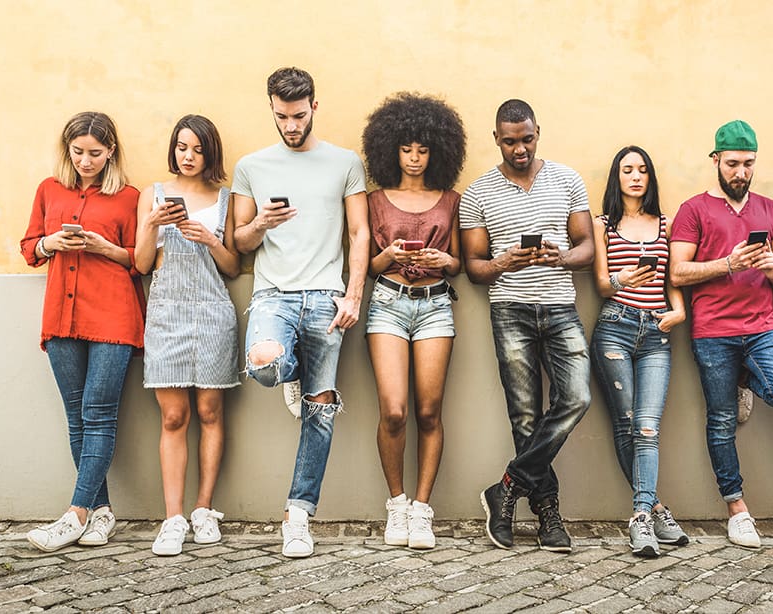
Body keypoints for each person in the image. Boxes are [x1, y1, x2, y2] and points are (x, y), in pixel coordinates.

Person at [232, 67, 369, 558]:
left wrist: (353, 295)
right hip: (274, 297)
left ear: (314, 106)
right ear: (270, 109)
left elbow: (360, 233)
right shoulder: (251, 165)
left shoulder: (345, 162)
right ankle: (289, 366)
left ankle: (298, 515)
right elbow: (237, 241)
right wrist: (260, 224)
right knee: (266, 366)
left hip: (328, 297)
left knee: (321, 410)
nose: (290, 125)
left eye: (298, 115)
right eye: (281, 116)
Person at [462, 99, 595, 553]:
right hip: (511, 309)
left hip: (559, 307)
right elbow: (474, 268)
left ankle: (507, 486)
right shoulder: (478, 192)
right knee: (525, 416)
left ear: (538, 131)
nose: (520, 149)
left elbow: (587, 249)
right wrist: (503, 261)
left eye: (527, 139)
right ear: (496, 138)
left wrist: (560, 256)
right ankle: (549, 516)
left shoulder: (567, 179)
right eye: (510, 141)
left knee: (576, 397)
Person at [669, 120, 773, 548]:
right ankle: (737, 509)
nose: (740, 173)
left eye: (748, 164)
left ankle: (746, 379)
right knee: (721, 420)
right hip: (712, 332)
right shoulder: (693, 210)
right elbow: (677, 271)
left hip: (763, 326)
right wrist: (727, 264)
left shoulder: (769, 208)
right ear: (715, 160)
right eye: (732, 163)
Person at [19, 111, 143, 552]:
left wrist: (101, 247)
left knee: (99, 412)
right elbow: (29, 248)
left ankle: (74, 514)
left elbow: (139, 259)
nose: (86, 161)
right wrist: (50, 243)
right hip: (61, 319)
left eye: (95, 153)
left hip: (112, 317)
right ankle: (101, 512)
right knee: (77, 417)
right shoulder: (48, 190)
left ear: (110, 152)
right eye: (78, 152)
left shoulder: (130, 197)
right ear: (66, 150)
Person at [360, 93, 467, 550]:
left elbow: (460, 262)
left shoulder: (450, 199)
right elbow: (366, 265)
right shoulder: (375, 199)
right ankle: (397, 504)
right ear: (391, 149)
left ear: (438, 150)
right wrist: (386, 256)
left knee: (428, 411)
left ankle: (422, 509)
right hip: (387, 302)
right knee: (394, 410)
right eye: (407, 148)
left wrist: (444, 258)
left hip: (435, 306)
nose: (416, 157)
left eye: (424, 149)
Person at [135, 115, 240, 556]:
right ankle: (173, 517)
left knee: (211, 412)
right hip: (166, 313)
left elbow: (234, 267)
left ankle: (203, 509)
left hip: (214, 313)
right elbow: (141, 265)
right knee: (174, 417)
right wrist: (151, 225)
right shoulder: (152, 195)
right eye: (182, 147)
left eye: (197, 149)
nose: (189, 156)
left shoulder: (225, 198)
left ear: (210, 152)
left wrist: (210, 240)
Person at [590, 146, 690, 557]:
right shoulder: (603, 224)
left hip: (657, 333)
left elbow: (672, 282)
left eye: (642, 170)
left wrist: (679, 311)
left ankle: (644, 517)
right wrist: (623, 277)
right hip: (615, 324)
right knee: (627, 423)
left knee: (646, 427)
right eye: (627, 170)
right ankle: (652, 514)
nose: (635, 177)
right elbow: (599, 284)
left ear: (650, 178)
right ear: (617, 177)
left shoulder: (666, 224)